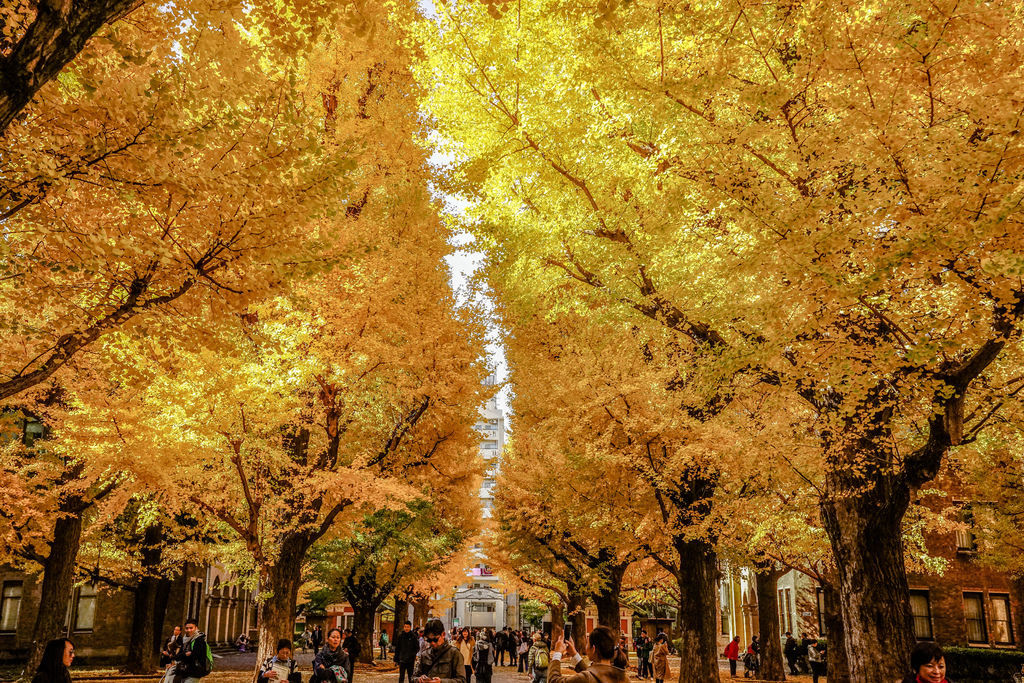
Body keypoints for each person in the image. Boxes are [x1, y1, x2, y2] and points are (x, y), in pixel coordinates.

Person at [546, 625, 628, 683]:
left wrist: (557, 653)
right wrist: (574, 654)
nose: (586, 646)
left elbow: (554, 681)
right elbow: (594, 674)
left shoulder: (586, 678)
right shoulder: (623, 677)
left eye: (587, 643)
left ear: (593, 649)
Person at [414, 619, 466, 683]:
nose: (432, 643)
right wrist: (419, 679)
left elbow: (462, 680)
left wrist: (441, 681)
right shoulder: (424, 654)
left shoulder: (454, 653)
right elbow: (414, 677)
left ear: (443, 634)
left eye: (435, 640)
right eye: (429, 640)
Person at [174, 617, 211, 683]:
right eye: (187, 628)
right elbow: (177, 657)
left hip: (195, 672)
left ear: (196, 628)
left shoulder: (199, 640)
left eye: (191, 628)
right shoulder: (184, 640)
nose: (189, 630)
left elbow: (196, 657)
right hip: (184, 672)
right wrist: (185, 654)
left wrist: (183, 656)